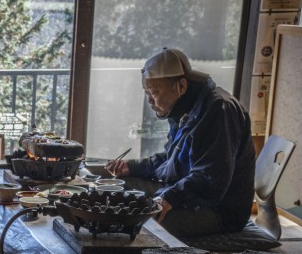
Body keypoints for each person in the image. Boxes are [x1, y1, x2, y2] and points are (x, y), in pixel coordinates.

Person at [105, 47, 255, 240]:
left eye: (155, 91)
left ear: (181, 86)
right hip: (188, 193)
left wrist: (169, 197)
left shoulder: (219, 111)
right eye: (147, 92)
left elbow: (210, 179)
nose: (150, 101)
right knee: (121, 186)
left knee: (144, 224)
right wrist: (131, 167)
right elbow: (171, 159)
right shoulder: (183, 108)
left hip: (218, 210)